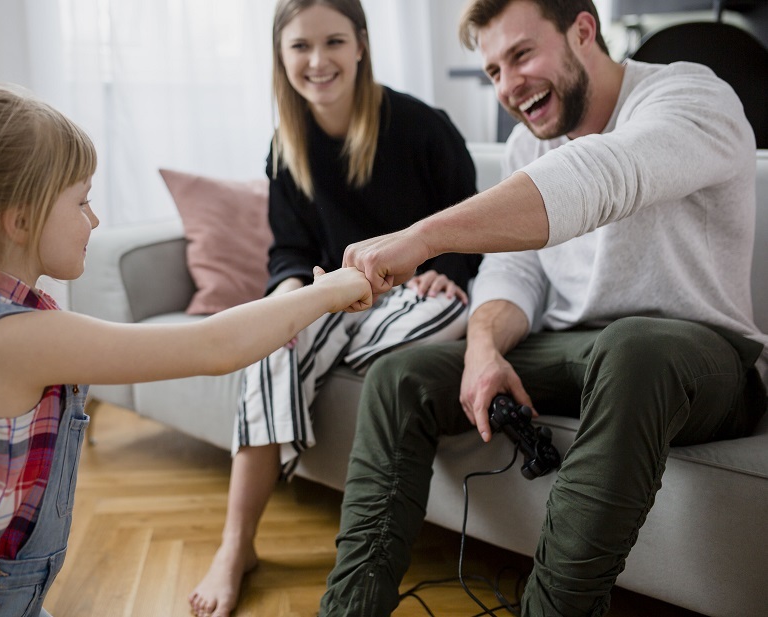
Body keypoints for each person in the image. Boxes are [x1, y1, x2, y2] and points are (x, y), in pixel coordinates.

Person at [319, 0, 768, 615]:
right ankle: (350, 608)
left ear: (583, 31)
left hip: (696, 359)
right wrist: (481, 352)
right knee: (403, 376)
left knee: (633, 346)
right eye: (494, 71)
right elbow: (514, 274)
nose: (508, 85)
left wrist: (424, 237)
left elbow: (605, 176)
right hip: (575, 350)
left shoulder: (690, 96)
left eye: (522, 54)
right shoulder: (526, 147)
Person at [0, 83, 372, 616]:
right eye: (81, 200)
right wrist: (326, 292)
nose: (95, 219)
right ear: (18, 220)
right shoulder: (12, 337)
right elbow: (214, 346)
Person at [188, 1, 483, 616]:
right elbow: (290, 252)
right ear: (281, 55)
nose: (318, 61)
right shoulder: (284, 148)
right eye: (300, 47)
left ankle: (314, 368)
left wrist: (446, 273)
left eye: (333, 42)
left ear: (361, 45)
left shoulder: (423, 126)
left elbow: (471, 224)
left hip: (417, 300)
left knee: (437, 320)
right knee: (268, 347)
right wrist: (287, 297)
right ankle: (235, 546)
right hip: (333, 296)